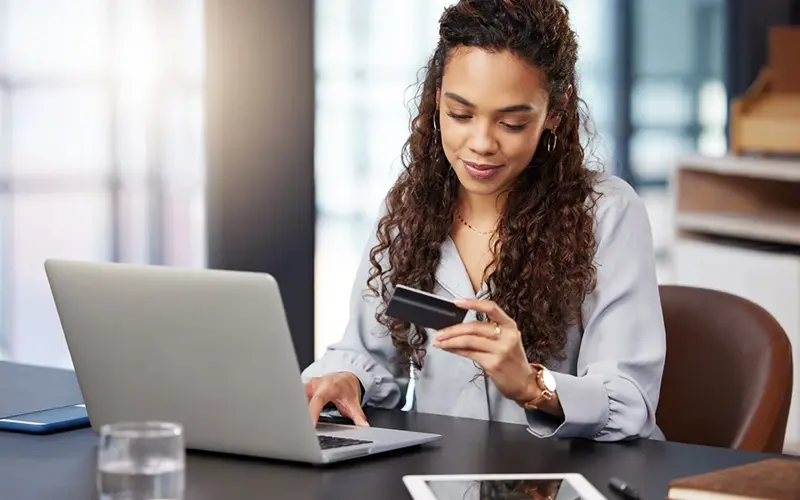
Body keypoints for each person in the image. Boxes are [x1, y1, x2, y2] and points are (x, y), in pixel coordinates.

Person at [302, 0, 666, 442]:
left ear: (555, 111)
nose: (480, 143)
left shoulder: (607, 213)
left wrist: (534, 387)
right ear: (437, 97)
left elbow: (629, 404)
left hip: (560, 482)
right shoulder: (411, 206)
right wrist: (346, 380)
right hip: (438, 476)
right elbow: (368, 354)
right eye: (460, 114)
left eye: (512, 123)